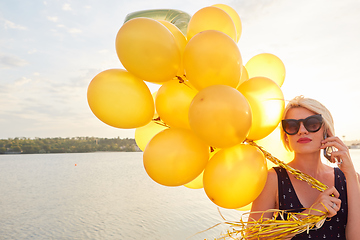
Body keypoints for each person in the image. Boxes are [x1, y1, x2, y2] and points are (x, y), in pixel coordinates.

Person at [249, 96, 360, 239]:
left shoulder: (349, 178)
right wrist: (310, 214)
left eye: (312, 123)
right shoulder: (273, 178)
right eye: (292, 125)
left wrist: (350, 172)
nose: (302, 130)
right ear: (286, 136)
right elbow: (252, 237)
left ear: (326, 131)